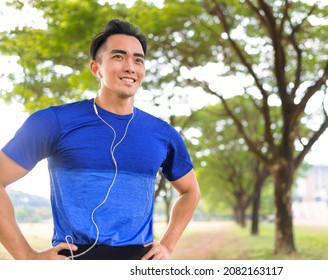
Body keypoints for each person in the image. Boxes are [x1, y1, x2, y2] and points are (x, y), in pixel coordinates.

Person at [0, 19, 200, 260]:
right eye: (118, 57)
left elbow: (190, 191)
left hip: (139, 263)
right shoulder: (53, 122)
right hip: (74, 261)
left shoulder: (163, 134)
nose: (130, 67)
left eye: (138, 59)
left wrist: (167, 245)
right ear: (96, 69)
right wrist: (26, 256)